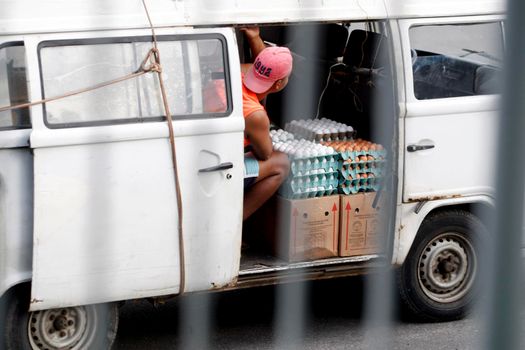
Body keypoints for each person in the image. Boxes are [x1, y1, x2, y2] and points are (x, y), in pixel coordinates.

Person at [241, 27, 292, 220]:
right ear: (278, 84)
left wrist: (254, 37)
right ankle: (236, 224)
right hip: (221, 166)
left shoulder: (236, 72)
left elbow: (260, 64)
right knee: (280, 163)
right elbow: (264, 153)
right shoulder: (256, 115)